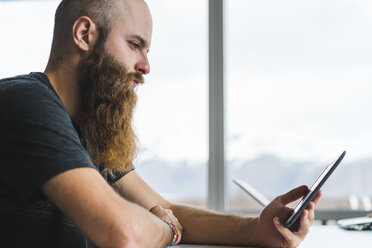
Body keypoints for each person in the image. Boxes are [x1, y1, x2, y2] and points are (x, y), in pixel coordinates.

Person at [0, 0, 321, 247]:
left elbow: (165, 208)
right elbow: (125, 234)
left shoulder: (87, 128)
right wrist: (167, 230)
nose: (146, 66)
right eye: (134, 45)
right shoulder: (26, 103)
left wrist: (256, 229)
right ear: (85, 35)